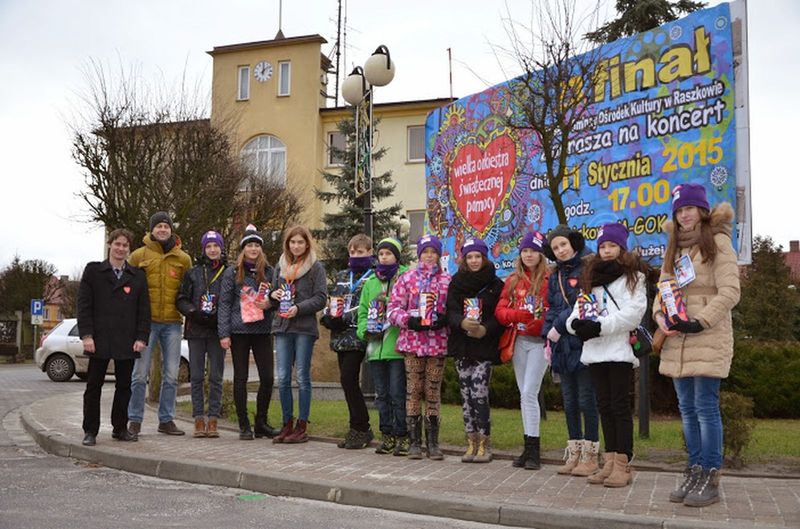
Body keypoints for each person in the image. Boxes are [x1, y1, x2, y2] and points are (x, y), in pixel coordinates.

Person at [654, 183, 740, 507]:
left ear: (702, 211)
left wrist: (701, 320)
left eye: (689, 208)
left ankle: (710, 476)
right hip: (678, 339)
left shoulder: (718, 242)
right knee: (687, 411)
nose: (684, 215)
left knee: (705, 408)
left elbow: (730, 292)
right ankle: (693, 468)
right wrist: (660, 316)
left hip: (707, 336)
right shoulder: (673, 249)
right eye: (678, 210)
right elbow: (662, 289)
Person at [566, 222, 647, 487]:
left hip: (619, 351)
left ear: (621, 248)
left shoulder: (634, 277)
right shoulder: (591, 278)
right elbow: (578, 312)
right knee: (604, 407)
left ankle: (623, 463)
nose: (607, 251)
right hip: (595, 352)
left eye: (612, 245)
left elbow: (632, 313)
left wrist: (599, 326)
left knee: (619, 407)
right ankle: (609, 461)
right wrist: (575, 325)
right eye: (602, 246)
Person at [77, 228, 150, 446]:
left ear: (129, 249)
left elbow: (144, 311)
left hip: (127, 340)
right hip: (98, 339)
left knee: (124, 386)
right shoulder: (93, 272)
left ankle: (120, 428)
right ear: (110, 245)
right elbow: (84, 306)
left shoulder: (137, 276)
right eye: (117, 244)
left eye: (125, 245)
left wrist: (141, 337)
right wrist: (86, 335)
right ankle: (90, 430)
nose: (120, 249)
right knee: (93, 386)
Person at [128, 212, 192, 438]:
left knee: (171, 375)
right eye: (159, 226)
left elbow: (188, 291)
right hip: (146, 324)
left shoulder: (183, 259)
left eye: (166, 226)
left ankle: (166, 420)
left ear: (171, 230)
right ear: (152, 230)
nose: (162, 229)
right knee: (139, 374)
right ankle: (134, 420)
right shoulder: (138, 256)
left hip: (173, 322)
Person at [387, 235, 451, 460]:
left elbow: (453, 311)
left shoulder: (447, 281)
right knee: (413, 391)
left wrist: (445, 319)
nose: (429, 256)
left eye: (433, 251)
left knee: (432, 392)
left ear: (439, 254)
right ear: (419, 254)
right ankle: (414, 442)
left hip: (437, 343)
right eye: (425, 251)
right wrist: (408, 320)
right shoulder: (407, 278)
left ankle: (433, 443)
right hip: (412, 343)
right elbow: (392, 309)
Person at [542, 224, 599, 476]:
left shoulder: (588, 268)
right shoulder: (555, 275)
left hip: (583, 343)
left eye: (563, 244)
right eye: (555, 247)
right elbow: (552, 306)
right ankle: (574, 451)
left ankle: (591, 454)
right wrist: (548, 335)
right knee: (570, 401)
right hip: (563, 346)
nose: (561, 250)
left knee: (587, 400)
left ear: (573, 243)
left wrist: (556, 327)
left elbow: (581, 302)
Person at [217, 225, 281, 440]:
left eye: (257, 245)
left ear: (261, 249)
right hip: (239, 331)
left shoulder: (270, 272)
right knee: (240, 378)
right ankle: (243, 424)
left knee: (267, 378)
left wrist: (270, 303)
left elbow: (277, 299)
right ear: (243, 249)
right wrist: (224, 334)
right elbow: (225, 304)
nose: (253, 249)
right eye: (249, 245)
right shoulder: (232, 272)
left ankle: (261, 421)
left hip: (262, 331)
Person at [495, 231, 550, 470]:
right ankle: (528, 448)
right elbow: (500, 311)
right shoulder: (513, 280)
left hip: (539, 342)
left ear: (541, 254)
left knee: (529, 392)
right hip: (518, 341)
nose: (529, 255)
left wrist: (538, 322)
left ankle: (534, 450)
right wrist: (518, 316)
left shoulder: (549, 279)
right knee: (524, 394)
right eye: (525, 251)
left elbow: (552, 310)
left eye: (533, 251)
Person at [445, 237, 504, 463]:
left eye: (478, 256)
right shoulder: (456, 282)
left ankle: (485, 441)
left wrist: (485, 329)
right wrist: (460, 322)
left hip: (484, 347)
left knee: (479, 393)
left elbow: (500, 317)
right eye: (470, 257)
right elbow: (449, 311)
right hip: (462, 346)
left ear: (484, 257)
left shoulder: (495, 284)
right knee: (466, 395)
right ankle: (470, 441)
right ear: (464, 259)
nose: (474, 261)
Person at [269, 226, 327, 444]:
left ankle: (302, 425)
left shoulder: (315, 267)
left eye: (300, 242)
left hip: (303, 328)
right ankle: (287, 423)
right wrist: (272, 294)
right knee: (282, 377)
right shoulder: (281, 265)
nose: (296, 246)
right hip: (282, 327)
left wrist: (299, 308)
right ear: (287, 244)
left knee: (302, 377)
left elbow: (321, 298)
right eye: (292, 242)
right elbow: (274, 295)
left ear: (307, 244)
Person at [321, 234, 375, 450]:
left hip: (358, 335)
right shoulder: (343, 275)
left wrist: (343, 318)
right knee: (346, 382)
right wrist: (328, 317)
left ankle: (362, 427)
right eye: (352, 252)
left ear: (370, 252)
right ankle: (356, 427)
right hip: (340, 337)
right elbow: (333, 300)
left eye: (360, 252)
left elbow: (368, 307)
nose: (355, 255)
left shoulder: (373, 276)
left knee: (348, 379)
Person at [357, 237, 409, 456]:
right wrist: (363, 331)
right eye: (381, 254)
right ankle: (386, 434)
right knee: (381, 396)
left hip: (395, 348)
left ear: (396, 256)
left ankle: (403, 435)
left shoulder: (405, 278)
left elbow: (409, 307)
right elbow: (361, 312)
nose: (384, 257)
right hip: (375, 348)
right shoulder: (370, 283)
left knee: (397, 394)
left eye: (388, 254)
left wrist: (391, 306)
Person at [176, 230, 228, 438]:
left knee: (216, 377)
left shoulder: (229, 272)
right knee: (196, 376)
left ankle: (213, 419)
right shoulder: (193, 272)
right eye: (209, 246)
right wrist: (193, 312)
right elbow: (181, 298)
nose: (213, 250)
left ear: (221, 248)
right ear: (204, 249)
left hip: (217, 331)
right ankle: (198, 418)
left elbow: (232, 299)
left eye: (216, 246)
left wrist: (220, 317)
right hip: (196, 330)